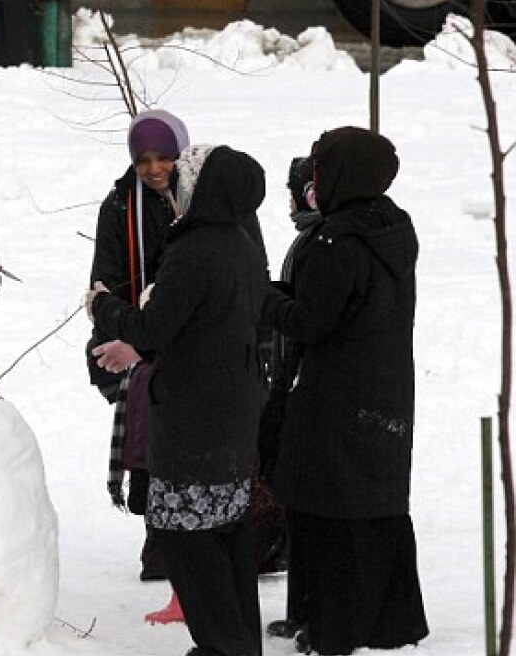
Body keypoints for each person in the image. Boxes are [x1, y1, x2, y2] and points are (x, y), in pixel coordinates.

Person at [86, 144, 269, 656]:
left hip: (194, 422)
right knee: (227, 533)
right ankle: (238, 644)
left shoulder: (195, 248)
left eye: (185, 176)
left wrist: (105, 307)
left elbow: (153, 327)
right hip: (232, 419)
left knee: (188, 539)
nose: (174, 184)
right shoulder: (242, 243)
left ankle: (220, 646)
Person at [263, 127, 428, 655]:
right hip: (385, 391)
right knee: (377, 508)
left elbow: (311, 321)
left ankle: (332, 627)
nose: (314, 179)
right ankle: (387, 621)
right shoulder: (393, 227)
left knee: (327, 511)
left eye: (321, 167)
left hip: (335, 396)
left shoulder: (337, 240)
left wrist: (264, 300)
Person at [88, 109, 188, 588]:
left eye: (164, 157)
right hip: (132, 341)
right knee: (152, 445)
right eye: (143, 159)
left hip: (188, 343)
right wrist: (130, 338)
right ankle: (160, 544)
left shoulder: (201, 200)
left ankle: (189, 545)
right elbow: (102, 284)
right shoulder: (119, 207)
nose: (154, 169)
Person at [259, 155, 323, 641]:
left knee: (308, 505)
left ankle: (313, 609)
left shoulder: (322, 242)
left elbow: (305, 316)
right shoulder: (308, 240)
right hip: (288, 381)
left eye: (293, 192)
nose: (288, 203)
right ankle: (301, 605)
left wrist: (267, 298)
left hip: (304, 388)